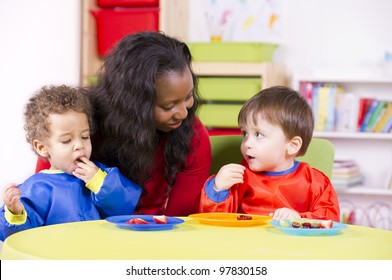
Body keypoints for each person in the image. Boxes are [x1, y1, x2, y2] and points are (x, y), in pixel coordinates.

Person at [36, 31, 212, 216]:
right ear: (132, 104)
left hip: (153, 233)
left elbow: (180, 217)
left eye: (188, 97)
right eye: (168, 106)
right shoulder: (76, 124)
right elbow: (44, 197)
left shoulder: (191, 134)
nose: (184, 113)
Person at [0, 85, 142, 241]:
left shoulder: (99, 174)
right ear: (42, 148)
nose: (79, 145)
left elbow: (124, 208)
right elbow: (19, 237)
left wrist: (101, 183)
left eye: (85, 137)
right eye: (67, 140)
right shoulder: (37, 187)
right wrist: (15, 213)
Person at [199, 86, 340, 222]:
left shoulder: (314, 182)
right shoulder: (239, 176)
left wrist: (300, 219)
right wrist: (218, 189)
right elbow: (215, 222)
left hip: (292, 245)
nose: (247, 143)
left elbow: (330, 220)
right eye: (245, 133)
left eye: (258, 134)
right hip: (247, 244)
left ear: (292, 145)